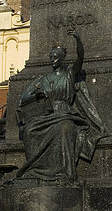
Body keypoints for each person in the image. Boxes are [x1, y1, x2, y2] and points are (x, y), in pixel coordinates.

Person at [16, 30, 106, 184]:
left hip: (65, 113)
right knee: (30, 130)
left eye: (56, 57)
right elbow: (23, 98)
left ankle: (64, 173)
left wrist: (78, 39)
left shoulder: (70, 74)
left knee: (65, 128)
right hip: (46, 115)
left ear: (63, 58)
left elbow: (80, 58)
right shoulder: (43, 79)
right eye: (51, 57)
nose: (53, 60)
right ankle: (35, 170)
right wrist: (37, 95)